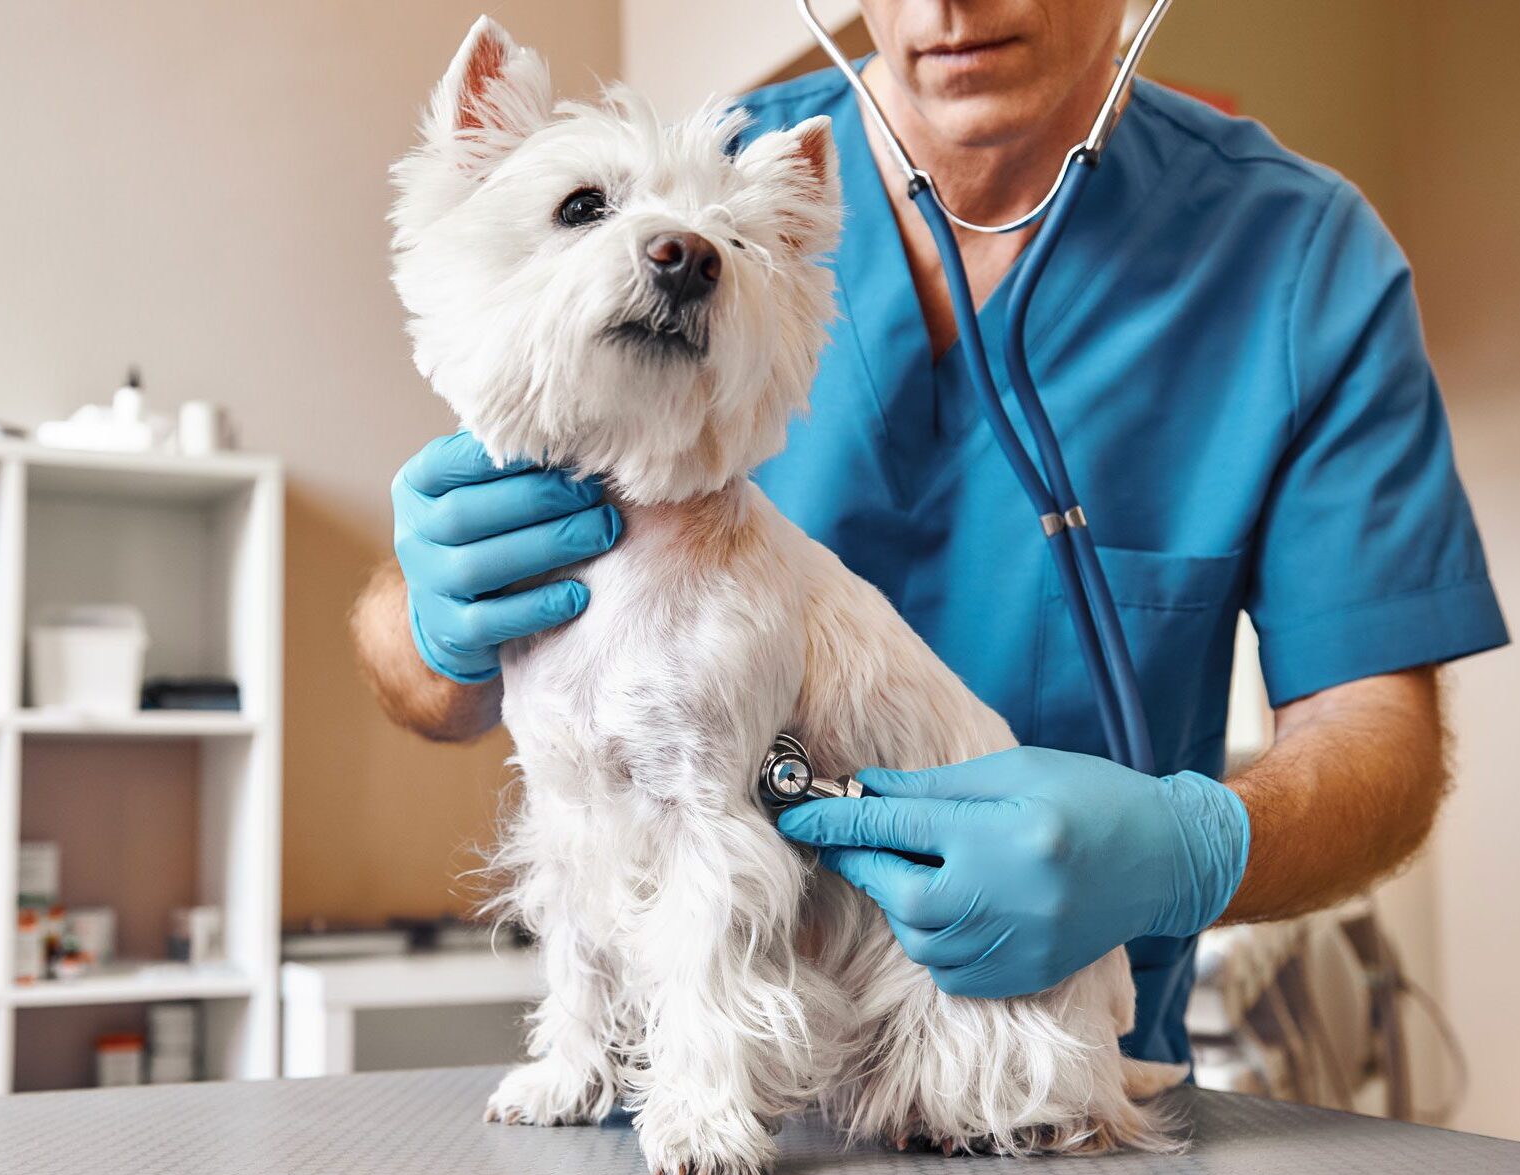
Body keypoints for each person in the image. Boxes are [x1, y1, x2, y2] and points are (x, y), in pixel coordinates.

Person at [352, 0, 1507, 1066]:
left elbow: (1383, 748)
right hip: (690, 1094)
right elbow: (436, 666)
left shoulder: (1302, 260)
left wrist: (1185, 846)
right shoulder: (687, 194)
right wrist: (427, 617)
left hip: (1027, 1064)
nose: (944, 5)